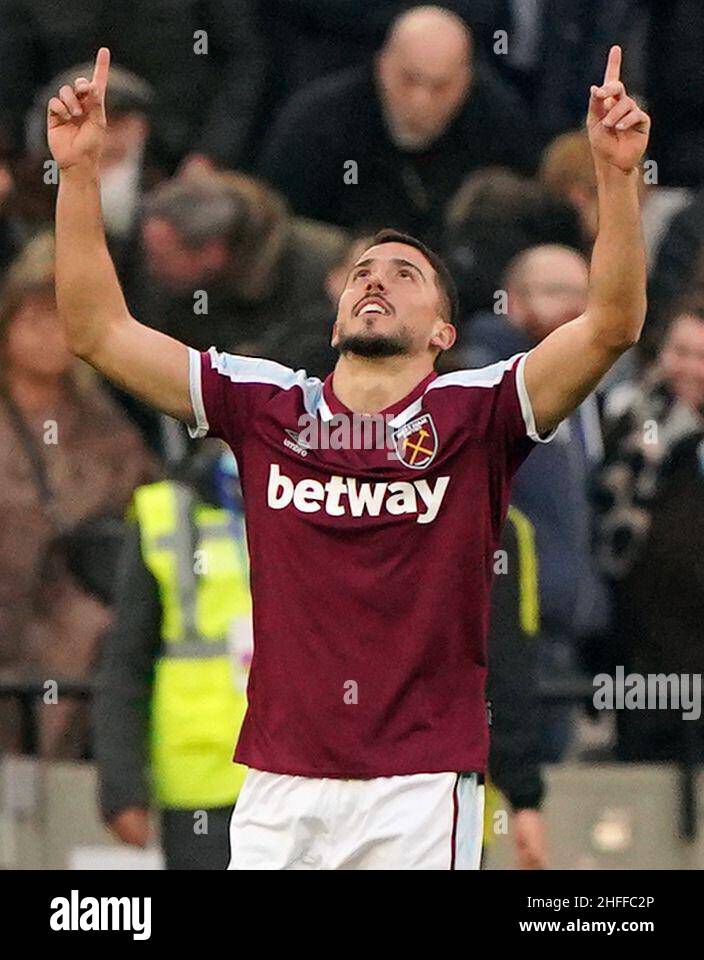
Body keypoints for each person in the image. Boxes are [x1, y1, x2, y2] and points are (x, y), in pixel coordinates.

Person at [48, 44, 649, 869]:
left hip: (417, 785)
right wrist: (78, 176)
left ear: (444, 333)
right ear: (334, 322)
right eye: (364, 271)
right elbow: (98, 332)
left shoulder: (479, 412)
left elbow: (611, 324)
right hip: (273, 785)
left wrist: (618, 181)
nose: (376, 280)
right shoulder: (264, 405)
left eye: (405, 274)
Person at [0, 231, 156, 758]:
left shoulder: (108, 422)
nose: (50, 336)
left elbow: (146, 499)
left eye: (62, 320)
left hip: (72, 628)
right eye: (35, 318)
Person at [465, 245, 610, 761]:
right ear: (511, 301)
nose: (572, 307)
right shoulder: (484, 383)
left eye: (582, 294)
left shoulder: (584, 391)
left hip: (561, 635)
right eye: (554, 293)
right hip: (503, 636)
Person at [259, 6, 540, 246]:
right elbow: (283, 224)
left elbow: (518, 229)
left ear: (467, 79)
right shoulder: (318, 122)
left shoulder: (499, 125)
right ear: (382, 64)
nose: (421, 100)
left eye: (440, 86)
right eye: (409, 79)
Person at [94, 442, 252, 869]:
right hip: (201, 789)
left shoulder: (319, 496)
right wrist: (122, 787)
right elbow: (126, 660)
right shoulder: (164, 513)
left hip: (304, 775)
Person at [593, 303, 704, 761]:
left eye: (701, 356)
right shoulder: (626, 422)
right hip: (640, 653)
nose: (688, 367)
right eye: (680, 351)